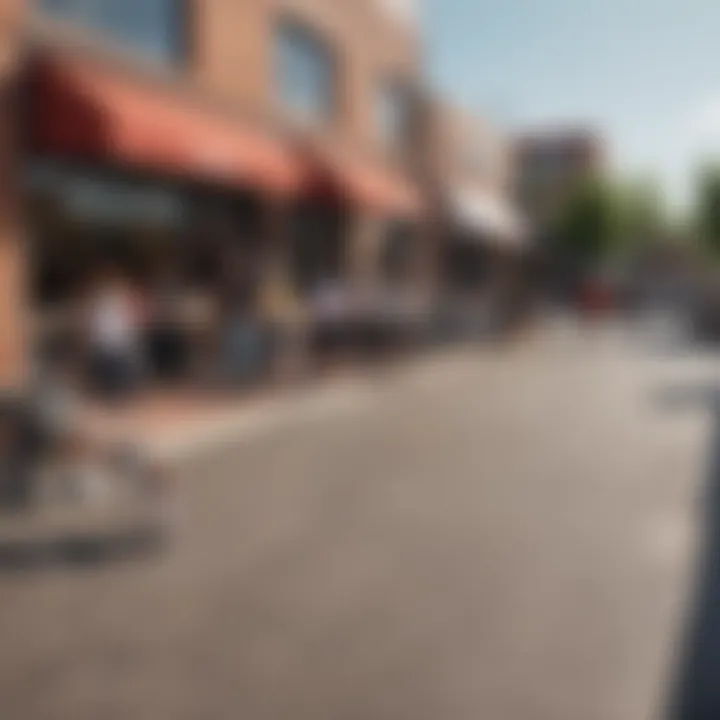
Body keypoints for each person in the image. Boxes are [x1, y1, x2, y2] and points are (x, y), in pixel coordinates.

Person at [84, 267, 145, 402]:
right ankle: (111, 396)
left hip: (120, 342)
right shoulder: (101, 300)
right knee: (109, 374)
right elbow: (95, 322)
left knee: (120, 373)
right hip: (107, 343)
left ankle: (119, 396)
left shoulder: (122, 299)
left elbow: (133, 319)